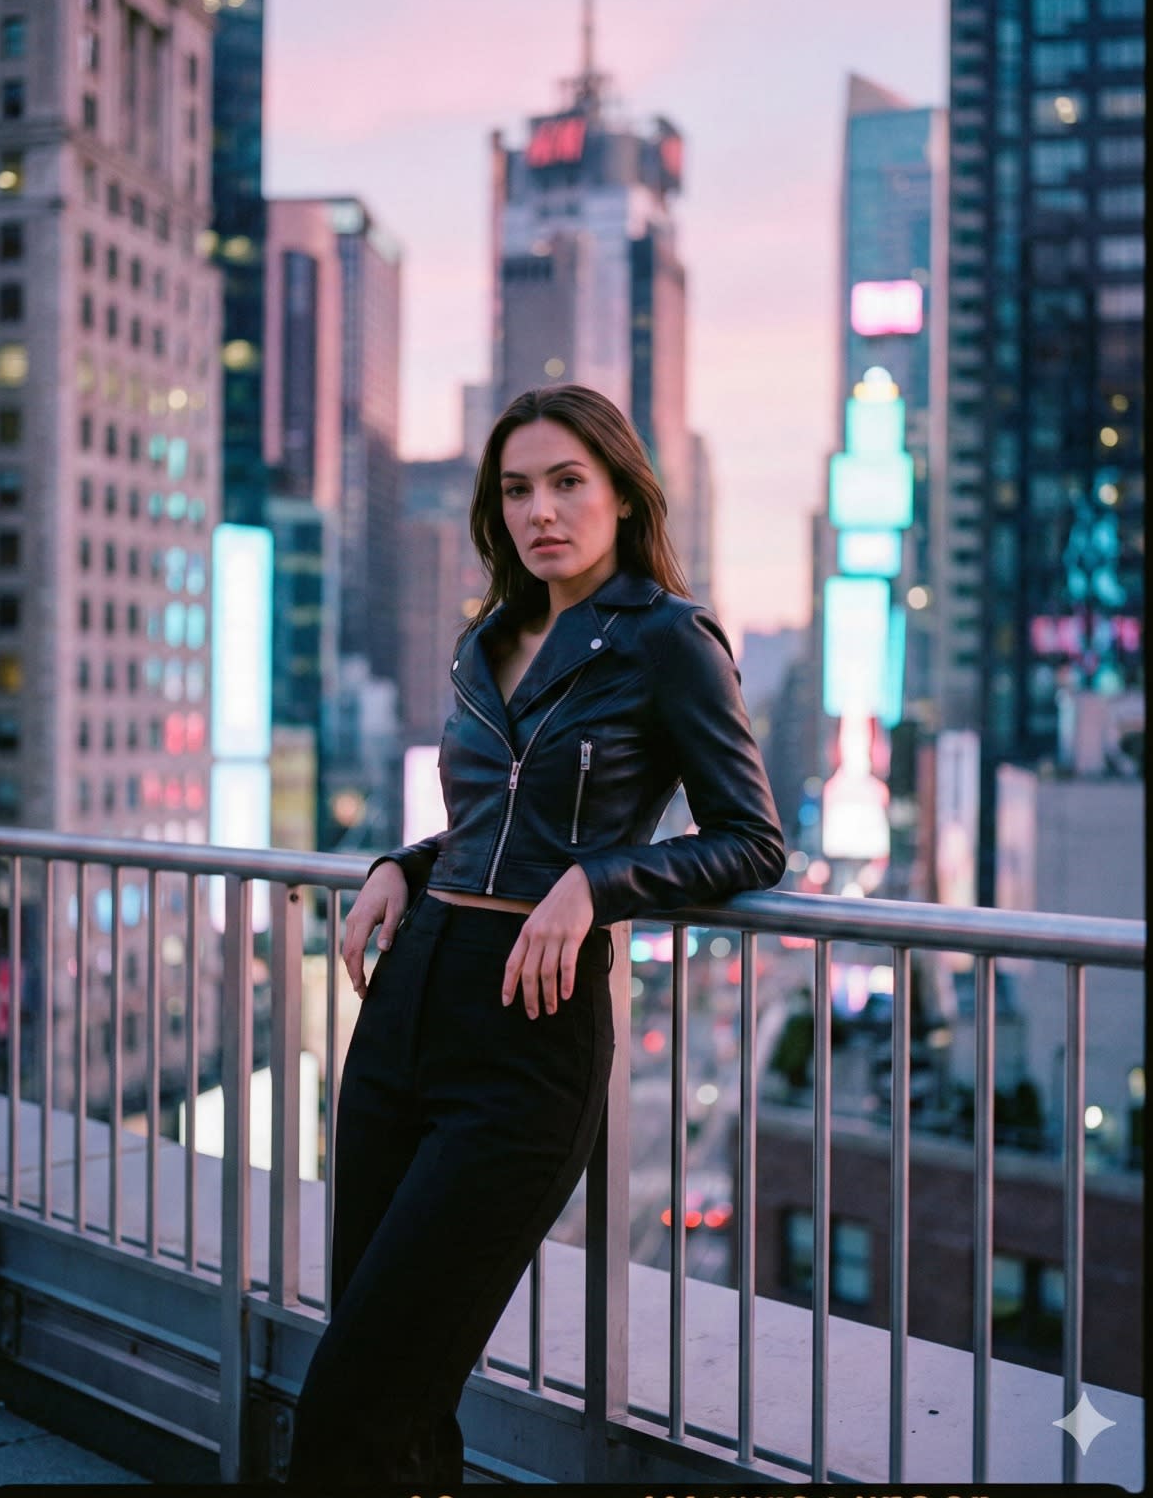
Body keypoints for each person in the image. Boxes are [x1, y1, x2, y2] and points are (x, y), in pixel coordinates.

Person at [287, 384, 785, 1488]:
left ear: (620, 492)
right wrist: (402, 865)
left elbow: (753, 840)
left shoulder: (667, 638)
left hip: (528, 1033)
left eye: (567, 482)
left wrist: (597, 884)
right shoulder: (484, 640)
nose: (540, 510)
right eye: (517, 488)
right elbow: (483, 822)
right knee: (397, 1387)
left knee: (352, 1402)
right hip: (405, 1008)